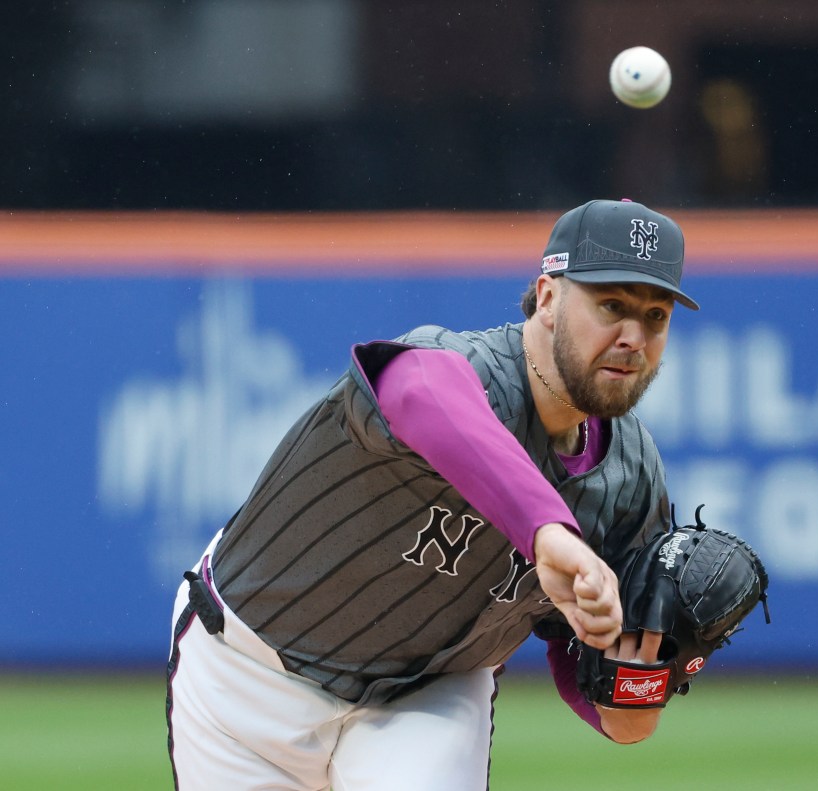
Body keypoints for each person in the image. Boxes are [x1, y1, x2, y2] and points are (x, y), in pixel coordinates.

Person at [166, 198, 700, 790]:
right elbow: (414, 388)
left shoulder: (632, 477)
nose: (633, 336)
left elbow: (622, 720)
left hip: (429, 693)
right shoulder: (463, 367)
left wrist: (646, 674)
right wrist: (547, 530)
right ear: (548, 298)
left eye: (655, 316)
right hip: (248, 671)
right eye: (612, 306)